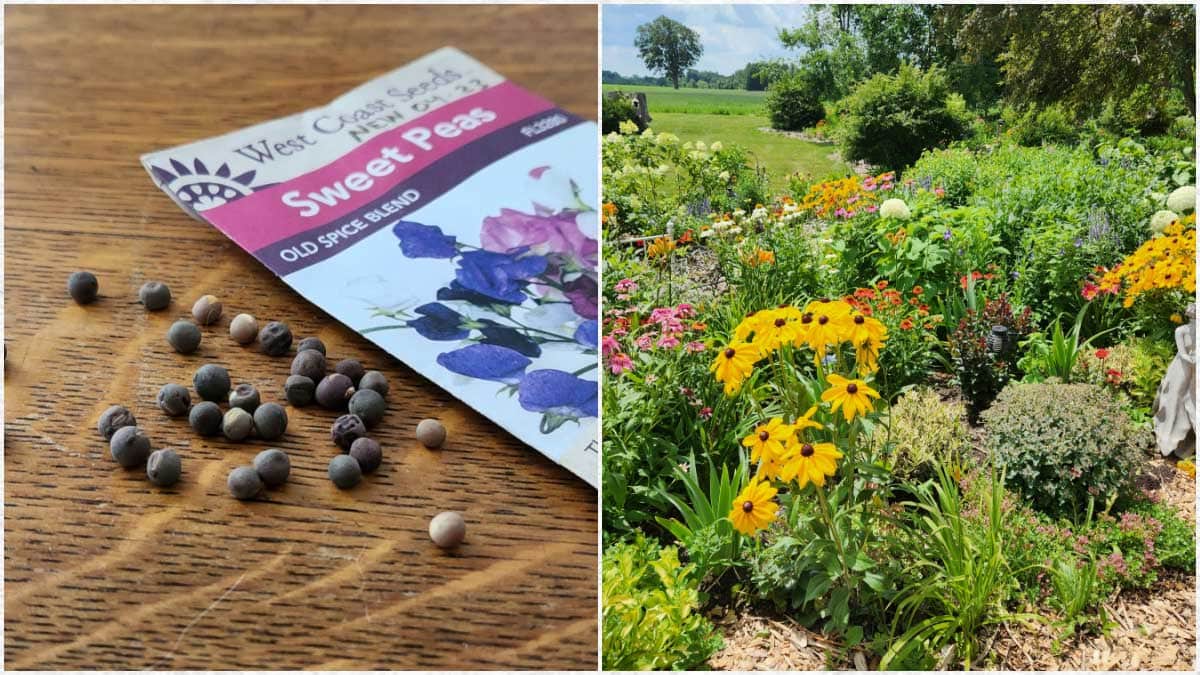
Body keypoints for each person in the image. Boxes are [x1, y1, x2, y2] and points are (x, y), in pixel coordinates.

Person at [1154, 303, 1196, 458]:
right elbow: (1182, 352)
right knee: (1173, 397)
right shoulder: (1182, 330)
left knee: (1193, 401)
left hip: (1195, 365)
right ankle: (1166, 438)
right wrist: (1191, 359)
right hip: (1182, 366)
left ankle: (1187, 445)